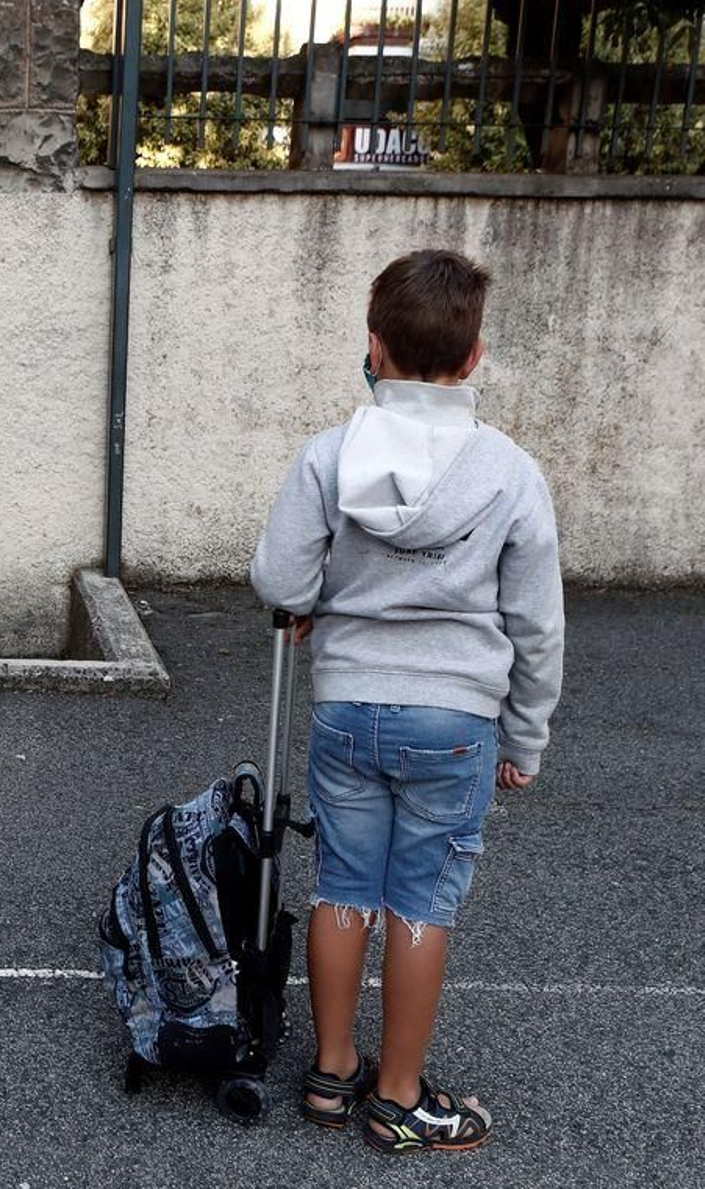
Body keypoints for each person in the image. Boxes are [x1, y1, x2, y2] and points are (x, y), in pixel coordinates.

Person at [250, 249, 563, 1154]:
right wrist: (526, 736)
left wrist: (311, 604)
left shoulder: (329, 454)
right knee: (423, 899)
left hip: (349, 703)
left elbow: (278, 575)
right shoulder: (508, 472)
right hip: (455, 719)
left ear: (373, 346)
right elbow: (537, 624)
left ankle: (331, 1070)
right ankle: (398, 1096)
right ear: (474, 358)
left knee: (344, 885)